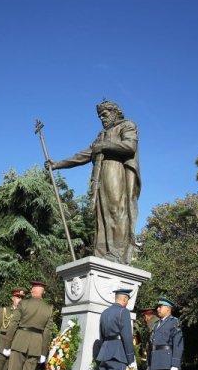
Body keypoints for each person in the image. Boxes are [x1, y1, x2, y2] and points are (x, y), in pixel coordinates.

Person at [47, 100, 140, 265]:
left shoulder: (126, 125)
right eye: (100, 117)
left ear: (114, 112)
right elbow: (82, 156)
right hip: (100, 174)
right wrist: (57, 164)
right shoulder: (101, 136)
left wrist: (105, 145)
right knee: (100, 213)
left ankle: (118, 253)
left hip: (115, 169)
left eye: (104, 115)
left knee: (115, 209)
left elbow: (130, 146)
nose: (102, 119)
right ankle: (102, 252)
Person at [4, 281, 54, 370]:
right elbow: (47, 332)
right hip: (36, 345)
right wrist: (43, 352)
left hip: (19, 341)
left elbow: (13, 324)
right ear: (43, 293)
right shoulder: (48, 309)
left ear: (32, 291)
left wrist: (7, 344)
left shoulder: (23, 303)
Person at [96, 288, 137, 370]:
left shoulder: (104, 313)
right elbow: (127, 337)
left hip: (104, 354)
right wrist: (130, 359)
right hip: (117, 354)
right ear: (124, 299)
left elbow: (101, 335)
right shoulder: (124, 311)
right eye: (127, 301)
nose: (127, 303)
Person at [0, 286, 26, 370]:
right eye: (18, 297)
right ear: (12, 298)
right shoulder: (4, 310)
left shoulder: (25, 314)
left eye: (22, 298)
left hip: (15, 347)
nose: (20, 300)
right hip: (1, 346)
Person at [147, 298, 183, 370]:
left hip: (166, 363)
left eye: (160, 307)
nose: (158, 309)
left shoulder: (174, 322)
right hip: (154, 363)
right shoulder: (156, 324)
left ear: (168, 308)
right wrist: (149, 364)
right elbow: (151, 345)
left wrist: (175, 365)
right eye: (158, 307)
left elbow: (178, 344)